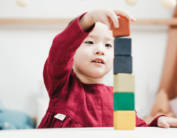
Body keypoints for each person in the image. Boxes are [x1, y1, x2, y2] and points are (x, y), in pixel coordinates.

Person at [38, 8, 177, 129]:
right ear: (72, 51)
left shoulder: (118, 95)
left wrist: (157, 122)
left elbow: (136, 127)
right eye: (90, 42)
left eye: (108, 45)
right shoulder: (61, 87)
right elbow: (60, 50)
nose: (100, 50)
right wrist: (89, 18)